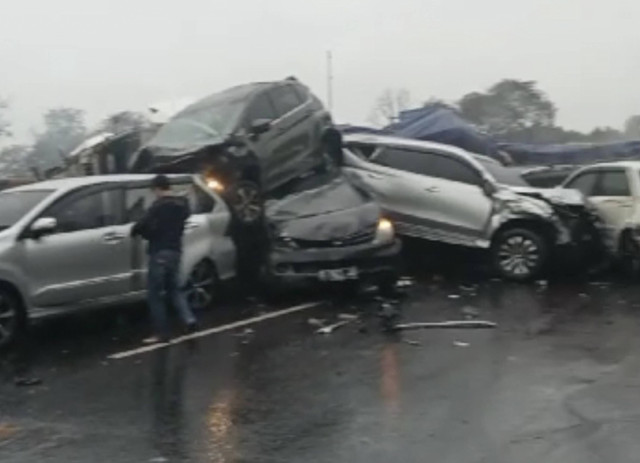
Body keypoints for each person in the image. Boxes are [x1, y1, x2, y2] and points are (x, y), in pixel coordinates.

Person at [132, 174, 197, 344]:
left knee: (155, 295)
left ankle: (162, 333)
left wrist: (137, 231)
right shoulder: (182, 205)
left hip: (159, 252)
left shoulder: (158, 207)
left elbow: (142, 225)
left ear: (157, 189)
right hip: (176, 251)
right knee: (175, 290)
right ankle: (189, 319)